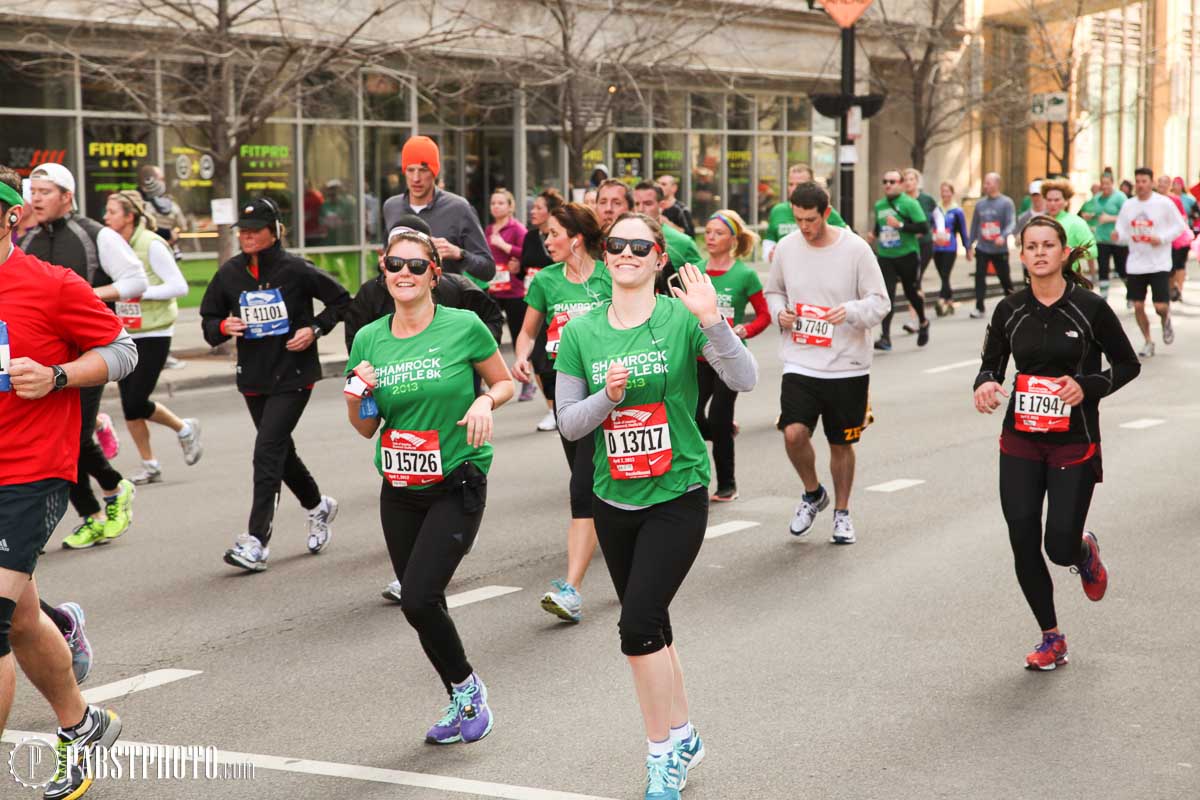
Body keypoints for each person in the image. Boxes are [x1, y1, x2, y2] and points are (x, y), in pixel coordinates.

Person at [555, 212, 757, 800]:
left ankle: (661, 755)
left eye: (639, 246)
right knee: (656, 624)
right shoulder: (582, 332)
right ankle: (685, 732)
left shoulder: (680, 317)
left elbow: (744, 377)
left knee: (637, 623)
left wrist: (713, 321)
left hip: (679, 491)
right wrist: (607, 397)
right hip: (613, 497)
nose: (625, 253)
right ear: (605, 251)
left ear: (659, 257)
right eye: (616, 245)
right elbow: (570, 424)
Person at [345, 227, 512, 745]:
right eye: (396, 265)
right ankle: (459, 695)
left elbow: (504, 381)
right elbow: (367, 426)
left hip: (456, 481)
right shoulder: (368, 338)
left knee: (417, 599)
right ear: (384, 270)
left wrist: (485, 401)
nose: (405, 275)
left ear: (434, 274)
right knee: (426, 603)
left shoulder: (463, 326)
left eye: (417, 266)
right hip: (398, 485)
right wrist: (358, 393)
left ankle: (468, 688)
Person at [0, 164, 128, 797]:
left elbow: (121, 350)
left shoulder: (51, 284)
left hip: (30, 471)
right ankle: (83, 724)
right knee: (21, 618)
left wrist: (56, 375)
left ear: (11, 218)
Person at [973, 216, 1139, 670]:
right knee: (1022, 535)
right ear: (1022, 255)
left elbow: (1127, 364)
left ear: (1064, 254)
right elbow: (991, 365)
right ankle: (1051, 637)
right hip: (1021, 440)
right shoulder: (1010, 309)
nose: (1041, 252)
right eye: (1032, 246)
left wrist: (1088, 385)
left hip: (1074, 442)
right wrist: (985, 385)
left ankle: (1083, 549)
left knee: (1057, 546)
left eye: (1049, 245)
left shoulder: (1090, 307)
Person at [200, 198, 350, 571]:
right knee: (280, 452)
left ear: (275, 231)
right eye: (243, 231)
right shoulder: (230, 273)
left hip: (294, 374)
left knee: (266, 451)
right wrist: (223, 327)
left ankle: (256, 542)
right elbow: (209, 319)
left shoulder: (296, 268)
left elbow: (342, 302)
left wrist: (314, 330)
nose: (247, 236)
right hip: (253, 377)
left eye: (255, 230)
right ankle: (318, 506)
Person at [20, 162, 146, 550]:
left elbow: (136, 280)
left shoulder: (96, 235)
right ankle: (90, 515)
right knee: (56, 443)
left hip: (88, 355)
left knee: (72, 439)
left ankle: (113, 486)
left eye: (45, 191)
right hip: (38, 360)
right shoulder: (25, 241)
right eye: (32, 192)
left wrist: (88, 296)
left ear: (67, 196)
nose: (36, 198)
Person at [766, 182, 889, 543]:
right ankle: (812, 493)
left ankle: (842, 512)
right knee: (793, 432)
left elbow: (879, 302)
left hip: (847, 364)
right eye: (798, 219)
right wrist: (780, 314)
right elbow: (773, 291)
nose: (805, 227)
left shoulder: (855, 250)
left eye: (811, 219)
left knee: (840, 443)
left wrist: (849, 311)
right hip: (801, 360)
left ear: (826, 211)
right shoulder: (787, 249)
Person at [511, 203, 611, 623]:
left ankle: (572, 588)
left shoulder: (610, 274)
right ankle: (611, 535)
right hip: (564, 386)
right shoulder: (547, 281)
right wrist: (519, 358)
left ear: (576, 237)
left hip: (610, 388)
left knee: (582, 487)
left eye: (552, 234)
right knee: (582, 472)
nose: (545, 240)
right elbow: (529, 330)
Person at [102, 191, 202, 485]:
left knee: (136, 402)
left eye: (112, 212)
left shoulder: (152, 244)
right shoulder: (112, 244)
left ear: (129, 216)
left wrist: (142, 292)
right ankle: (150, 464)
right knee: (127, 405)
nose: (106, 218)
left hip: (155, 332)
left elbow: (179, 286)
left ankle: (184, 428)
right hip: (124, 331)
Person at [698, 210, 769, 502]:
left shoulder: (745, 274)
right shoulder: (696, 270)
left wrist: (745, 330)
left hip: (730, 359)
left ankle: (727, 484)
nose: (710, 237)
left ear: (733, 239)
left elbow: (764, 315)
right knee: (691, 414)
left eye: (718, 233)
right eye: (708, 231)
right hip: (699, 356)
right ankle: (723, 431)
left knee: (718, 415)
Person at [382, 136, 495, 284]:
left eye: (423, 170)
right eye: (410, 170)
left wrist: (459, 254)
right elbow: (386, 259)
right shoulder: (391, 206)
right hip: (401, 301)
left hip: (443, 301)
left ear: (435, 172)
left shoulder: (459, 208)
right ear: (404, 171)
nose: (416, 178)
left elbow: (488, 270)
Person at [1113, 167, 1185, 357]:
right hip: (1136, 263)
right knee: (1137, 305)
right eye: (1138, 181)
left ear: (1151, 183)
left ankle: (1165, 319)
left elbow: (1180, 226)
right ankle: (1148, 341)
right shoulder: (1129, 205)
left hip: (1159, 263)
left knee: (1160, 306)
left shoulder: (1163, 203)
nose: (1140, 185)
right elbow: (1121, 232)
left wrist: (1160, 238)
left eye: (1144, 181)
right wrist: (1117, 236)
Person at [866, 169, 929, 350]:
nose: (888, 185)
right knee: (887, 295)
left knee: (911, 292)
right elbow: (880, 225)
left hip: (907, 255)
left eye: (892, 182)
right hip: (886, 256)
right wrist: (873, 234)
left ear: (901, 184)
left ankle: (923, 322)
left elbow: (923, 227)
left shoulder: (910, 203)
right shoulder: (879, 205)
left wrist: (900, 225)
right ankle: (885, 337)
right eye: (885, 181)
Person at [520, 188, 566, 432]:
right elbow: (522, 267)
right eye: (533, 207)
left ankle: (563, 407)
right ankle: (552, 408)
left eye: (538, 207)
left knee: (556, 359)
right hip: (532, 299)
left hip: (557, 303)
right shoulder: (529, 236)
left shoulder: (562, 240)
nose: (533, 211)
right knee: (538, 358)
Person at [483, 189, 533, 400]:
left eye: (501, 203)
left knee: (516, 336)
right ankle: (488, 381)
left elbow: (529, 252)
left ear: (510, 206)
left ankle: (527, 382)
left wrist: (506, 247)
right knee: (488, 334)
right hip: (493, 287)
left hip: (513, 290)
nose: (496, 206)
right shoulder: (489, 229)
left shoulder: (517, 229)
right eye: (493, 203)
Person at [763, 164, 846, 262]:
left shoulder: (825, 210)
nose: (793, 188)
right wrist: (770, 254)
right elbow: (768, 243)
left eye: (799, 184)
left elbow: (846, 241)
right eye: (790, 184)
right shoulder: (778, 211)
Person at [966, 172, 1017, 319]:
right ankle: (979, 306)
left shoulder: (1006, 202)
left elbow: (1011, 222)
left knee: (1004, 278)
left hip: (999, 248)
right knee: (979, 276)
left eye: (988, 183)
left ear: (996, 184)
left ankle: (1012, 305)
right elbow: (975, 224)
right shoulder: (980, 204)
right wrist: (969, 245)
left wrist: (1003, 236)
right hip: (983, 247)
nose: (985, 186)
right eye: (985, 183)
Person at [632, 182, 702, 274]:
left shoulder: (683, 243)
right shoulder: (621, 238)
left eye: (648, 203)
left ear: (661, 206)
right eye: (636, 204)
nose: (640, 209)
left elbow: (700, 279)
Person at [931, 181, 970, 317]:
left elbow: (963, 231)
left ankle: (942, 299)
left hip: (950, 247)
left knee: (945, 274)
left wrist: (967, 248)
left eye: (947, 191)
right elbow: (930, 226)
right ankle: (949, 300)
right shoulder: (936, 209)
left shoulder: (957, 211)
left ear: (952, 193)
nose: (944, 194)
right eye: (943, 191)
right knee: (942, 275)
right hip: (937, 247)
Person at [1041, 180, 1098, 264]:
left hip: (1068, 275)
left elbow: (1093, 251)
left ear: (1066, 201)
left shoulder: (1076, 222)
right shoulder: (1041, 222)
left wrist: (1070, 253)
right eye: (1049, 200)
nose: (1052, 203)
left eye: (1057, 200)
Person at [1093, 173, 1128, 298]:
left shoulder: (1120, 197)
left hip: (1118, 239)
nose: (1104, 186)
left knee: (1121, 269)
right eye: (1102, 183)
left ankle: (1131, 292)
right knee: (1103, 267)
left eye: (1107, 183)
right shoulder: (1097, 198)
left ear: (1112, 183)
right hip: (1101, 238)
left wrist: (1110, 218)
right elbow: (1096, 214)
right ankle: (1103, 297)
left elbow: (1128, 216)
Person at [1164, 176, 1194, 302]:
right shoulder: (1158, 199)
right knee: (1170, 266)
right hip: (1166, 238)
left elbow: (1185, 217)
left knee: (1179, 264)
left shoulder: (1182, 200)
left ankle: (1179, 290)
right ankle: (1172, 288)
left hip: (1181, 237)